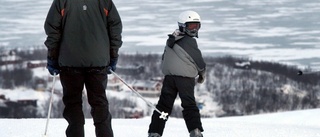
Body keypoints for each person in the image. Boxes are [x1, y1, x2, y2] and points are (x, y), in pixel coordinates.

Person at [44, 0, 122, 136]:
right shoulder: (104, 1)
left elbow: (53, 30)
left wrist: (52, 56)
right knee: (99, 103)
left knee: (73, 103)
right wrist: (113, 54)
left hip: (69, 61)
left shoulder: (61, 1)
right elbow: (115, 28)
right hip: (98, 61)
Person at [148, 10, 206, 137]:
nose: (194, 29)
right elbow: (198, 60)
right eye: (191, 26)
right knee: (189, 105)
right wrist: (202, 73)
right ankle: (195, 132)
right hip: (185, 80)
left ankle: (155, 132)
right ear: (182, 25)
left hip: (169, 78)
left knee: (163, 106)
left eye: (197, 26)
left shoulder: (171, 40)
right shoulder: (189, 41)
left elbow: (164, 58)